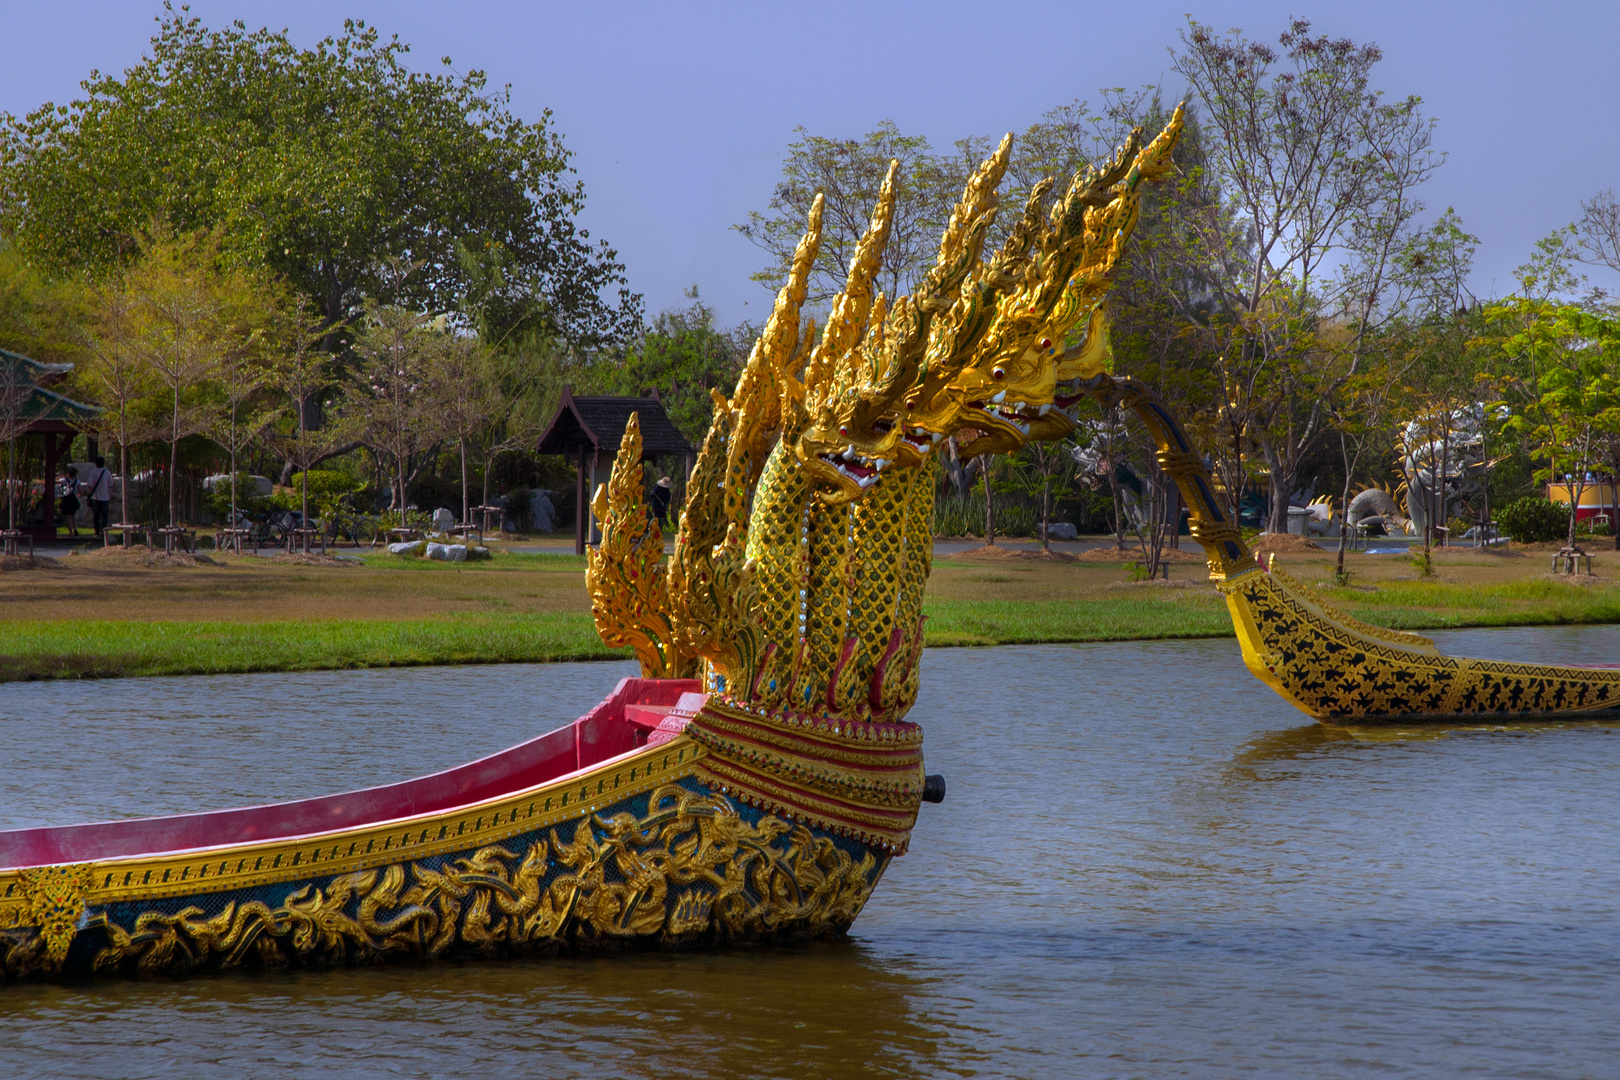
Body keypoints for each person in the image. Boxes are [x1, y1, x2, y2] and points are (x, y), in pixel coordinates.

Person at [84, 456, 112, 539]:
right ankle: (103, 531)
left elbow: (89, 484)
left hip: (96, 497)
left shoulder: (93, 472)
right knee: (104, 516)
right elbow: (110, 484)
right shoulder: (107, 473)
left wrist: (93, 490)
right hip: (105, 497)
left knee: (95, 515)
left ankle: (96, 531)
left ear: (95, 464)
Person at [58, 466, 81, 537]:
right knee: (73, 516)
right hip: (73, 499)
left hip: (66, 499)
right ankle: (75, 529)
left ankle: (70, 532)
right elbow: (80, 491)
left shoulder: (63, 480)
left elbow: (59, 488)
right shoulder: (77, 481)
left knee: (67, 517)